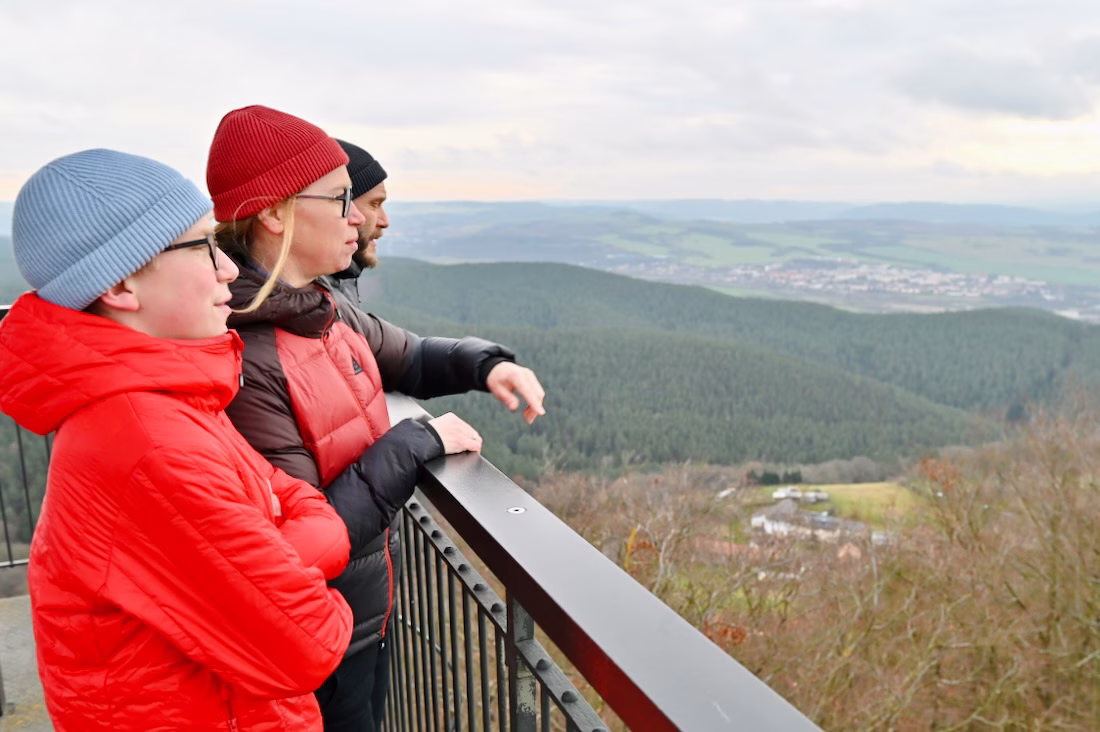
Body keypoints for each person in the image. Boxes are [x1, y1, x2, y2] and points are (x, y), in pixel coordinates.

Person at [205, 105, 546, 732]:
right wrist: (417, 439)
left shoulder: (318, 308)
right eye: (340, 200)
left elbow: (410, 356)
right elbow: (303, 540)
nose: (359, 218)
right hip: (314, 643)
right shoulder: (247, 359)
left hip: (359, 618)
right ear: (275, 213)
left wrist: (487, 365)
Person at [0, 149, 356, 732]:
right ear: (120, 284)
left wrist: (275, 562)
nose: (226, 269)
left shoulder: (172, 399)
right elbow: (309, 639)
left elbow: (302, 503)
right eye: (202, 246)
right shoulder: (146, 443)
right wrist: (286, 562)